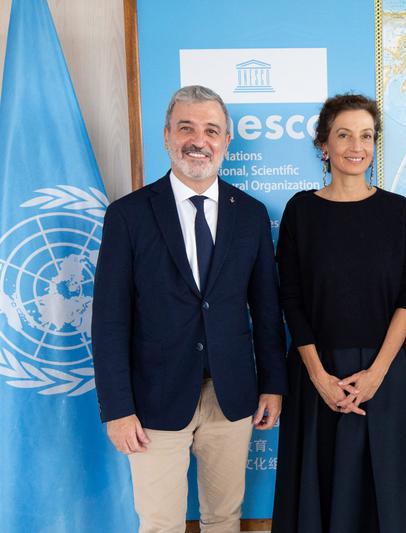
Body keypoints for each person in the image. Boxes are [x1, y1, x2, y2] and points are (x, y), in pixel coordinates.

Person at [92, 85, 287, 533]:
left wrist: (273, 385)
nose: (199, 140)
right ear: (166, 136)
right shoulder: (128, 216)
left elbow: (266, 308)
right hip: (153, 401)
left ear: (226, 142)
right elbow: (108, 320)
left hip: (232, 396)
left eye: (211, 130)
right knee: (160, 523)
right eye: (187, 128)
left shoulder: (251, 215)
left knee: (224, 519)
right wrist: (117, 408)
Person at [271, 94, 406, 533]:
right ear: (323, 145)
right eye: (343, 134)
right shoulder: (301, 210)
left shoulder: (397, 210)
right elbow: (290, 296)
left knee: (390, 498)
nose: (355, 145)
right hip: (319, 376)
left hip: (385, 373)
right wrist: (318, 375)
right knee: (323, 499)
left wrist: (377, 373)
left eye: (366, 136)